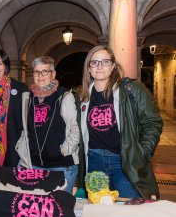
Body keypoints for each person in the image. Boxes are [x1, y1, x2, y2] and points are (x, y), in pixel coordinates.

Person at [78, 45, 163, 199]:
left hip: (123, 162)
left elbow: (152, 122)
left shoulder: (132, 89)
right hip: (94, 162)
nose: (99, 66)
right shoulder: (81, 97)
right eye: (94, 62)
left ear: (113, 66)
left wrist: (141, 154)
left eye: (105, 62)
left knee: (129, 214)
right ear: (88, 68)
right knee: (100, 213)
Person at [16, 56, 80, 193]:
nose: (40, 76)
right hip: (34, 165)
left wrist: (64, 150)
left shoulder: (63, 96)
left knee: (59, 209)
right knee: (38, 210)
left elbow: (75, 128)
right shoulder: (28, 98)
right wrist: (22, 150)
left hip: (60, 166)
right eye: (36, 72)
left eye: (45, 71)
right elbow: (26, 130)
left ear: (53, 74)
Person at [0, 48, 29, 181]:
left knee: (13, 188)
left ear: (6, 67)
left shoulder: (20, 89)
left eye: (0, 63)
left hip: (14, 149)